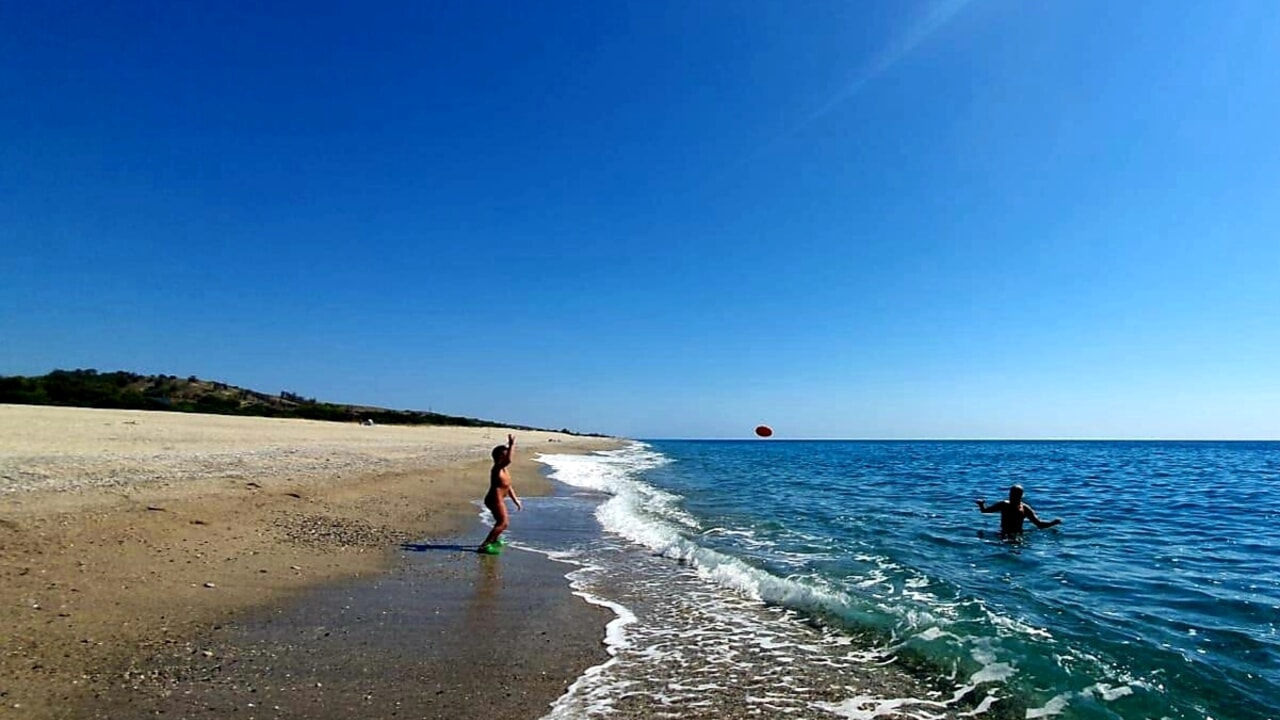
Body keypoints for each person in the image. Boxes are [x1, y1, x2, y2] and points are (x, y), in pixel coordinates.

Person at [479, 434, 522, 552]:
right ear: (498, 457)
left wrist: (515, 500)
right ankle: (485, 545)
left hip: (498, 499)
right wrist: (512, 444)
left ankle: (495, 539)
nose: (507, 456)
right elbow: (509, 460)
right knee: (503, 523)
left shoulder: (504, 470)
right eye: (504, 454)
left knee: (500, 522)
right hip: (494, 499)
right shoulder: (496, 468)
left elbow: (508, 486)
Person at [975, 484, 1061, 537]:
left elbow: (1039, 524)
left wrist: (1053, 523)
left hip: (1018, 534)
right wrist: (981, 504)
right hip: (1003, 533)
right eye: (1011, 494)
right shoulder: (1004, 504)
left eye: (1015, 495)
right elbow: (985, 511)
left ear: (1021, 496)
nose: (1012, 496)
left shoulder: (1024, 508)